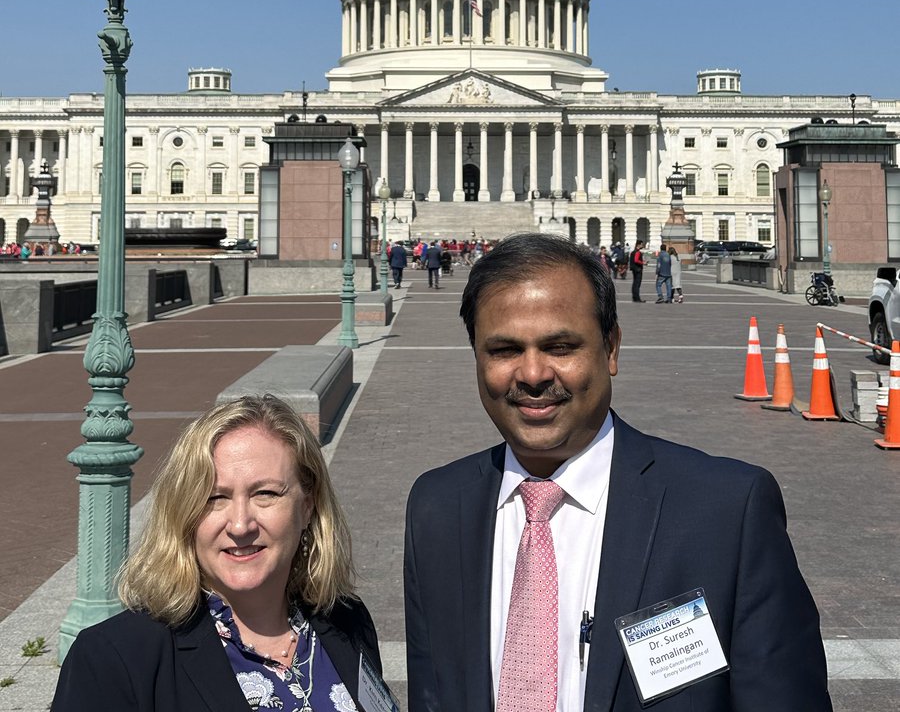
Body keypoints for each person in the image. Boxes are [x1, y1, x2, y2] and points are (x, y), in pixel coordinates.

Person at [404, 233, 831, 712]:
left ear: (611, 348)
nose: (532, 374)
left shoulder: (726, 512)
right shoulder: (436, 508)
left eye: (560, 346)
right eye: (503, 350)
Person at [53, 394, 389, 712]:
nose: (240, 525)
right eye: (215, 498)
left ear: (306, 508)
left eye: (266, 493)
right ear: (185, 513)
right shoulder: (115, 659)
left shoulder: (346, 621)